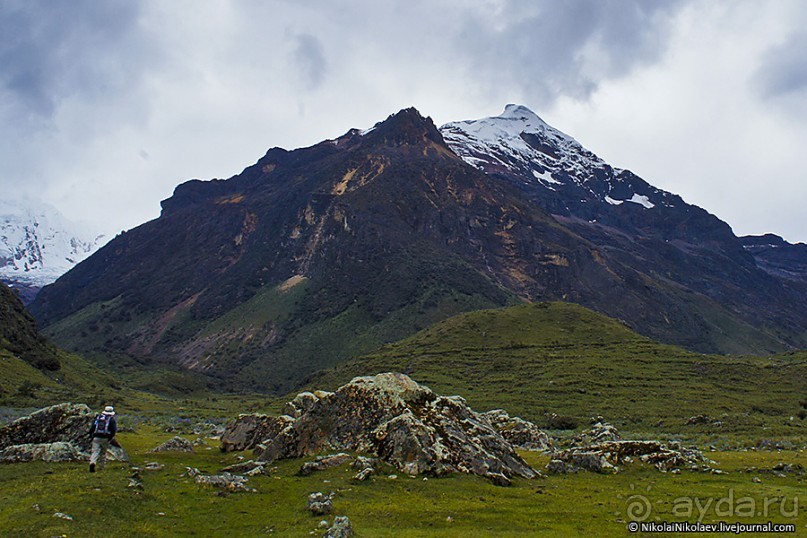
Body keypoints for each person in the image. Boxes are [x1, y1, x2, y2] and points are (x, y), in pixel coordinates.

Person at [88, 405, 117, 472]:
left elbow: (92, 427)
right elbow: (114, 430)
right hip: (105, 437)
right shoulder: (111, 419)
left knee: (95, 451)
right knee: (103, 453)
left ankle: (92, 462)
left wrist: (91, 435)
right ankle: (101, 467)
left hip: (96, 437)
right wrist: (110, 437)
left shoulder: (98, 418)